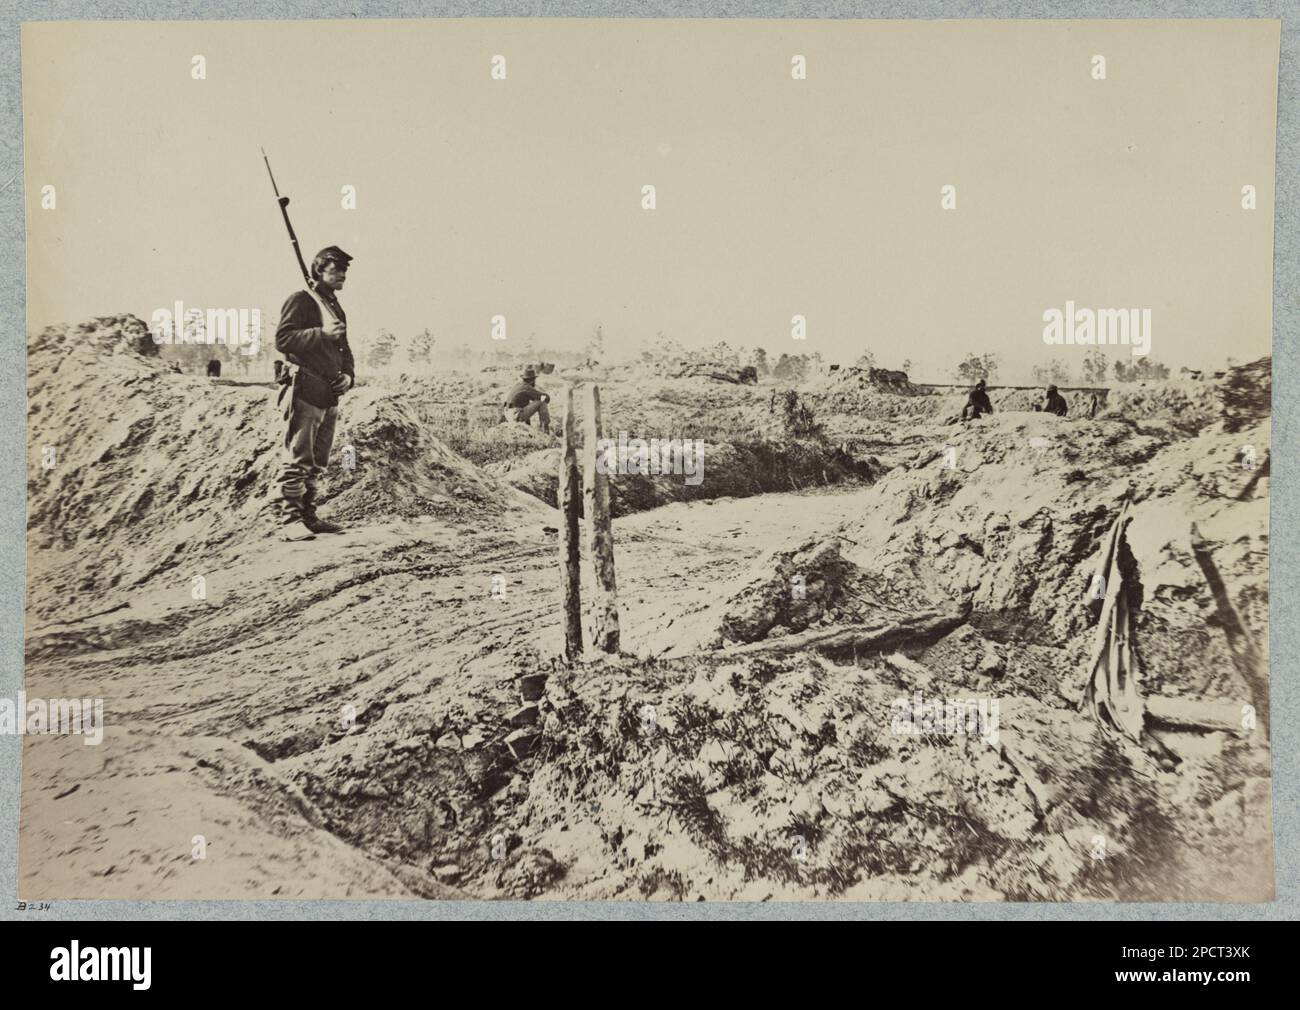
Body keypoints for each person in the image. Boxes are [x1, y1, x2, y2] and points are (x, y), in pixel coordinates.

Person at [273, 246, 356, 540]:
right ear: (319, 270)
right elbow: (283, 339)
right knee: (299, 458)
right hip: (305, 388)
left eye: (345, 270)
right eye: (336, 269)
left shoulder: (333, 306)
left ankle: (309, 516)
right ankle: (289, 520)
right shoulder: (303, 301)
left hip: (329, 393)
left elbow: (344, 349)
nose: (343, 275)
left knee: (318, 462)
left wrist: (348, 376)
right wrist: (321, 334)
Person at [503, 367, 551, 433]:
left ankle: (528, 426)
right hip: (515, 415)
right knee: (541, 402)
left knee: (526, 405)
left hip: (508, 414)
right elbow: (546, 397)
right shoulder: (527, 387)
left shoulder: (518, 385)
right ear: (532, 380)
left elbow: (524, 405)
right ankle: (545, 429)